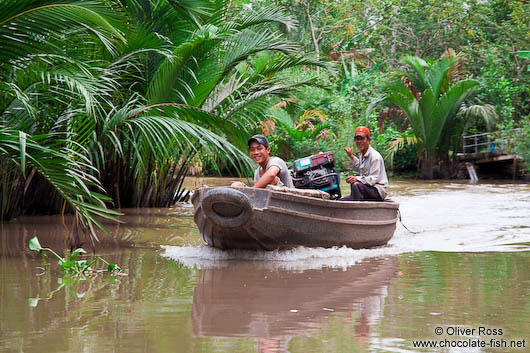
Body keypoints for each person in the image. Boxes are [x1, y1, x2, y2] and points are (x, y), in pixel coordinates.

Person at [339, 126, 388, 201]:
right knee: (352, 186)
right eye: (357, 139)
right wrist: (351, 156)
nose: (359, 142)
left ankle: (356, 208)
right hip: (367, 188)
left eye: (362, 139)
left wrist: (357, 178)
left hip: (377, 190)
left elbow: (373, 179)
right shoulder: (362, 154)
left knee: (356, 185)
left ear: (369, 140)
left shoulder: (375, 157)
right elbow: (360, 166)